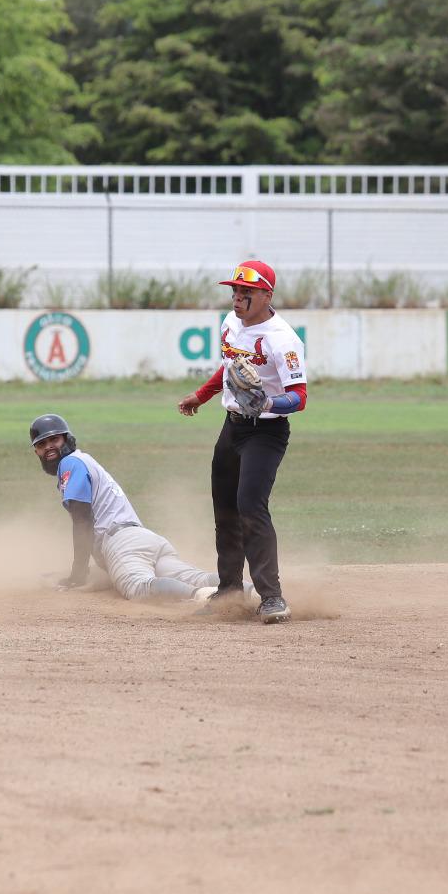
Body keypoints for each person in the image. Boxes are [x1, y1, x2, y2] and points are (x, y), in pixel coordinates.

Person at [176, 260, 307, 623]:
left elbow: (299, 397)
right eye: (235, 291)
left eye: (246, 292)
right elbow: (229, 366)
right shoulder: (231, 324)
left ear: (267, 295)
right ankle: (229, 591)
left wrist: (268, 402)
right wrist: (200, 396)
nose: (237, 298)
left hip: (266, 432)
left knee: (251, 507)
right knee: (225, 510)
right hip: (232, 426)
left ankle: (272, 597)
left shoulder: (283, 339)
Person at [29, 413, 219, 603]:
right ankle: (245, 590)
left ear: (67, 439)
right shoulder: (83, 460)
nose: (48, 447)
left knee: (139, 588)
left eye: (54, 439)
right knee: (197, 578)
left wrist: (77, 574)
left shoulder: (70, 463)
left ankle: (204, 599)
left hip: (121, 543)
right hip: (145, 540)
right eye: (41, 444)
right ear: (36, 452)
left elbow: (82, 521)